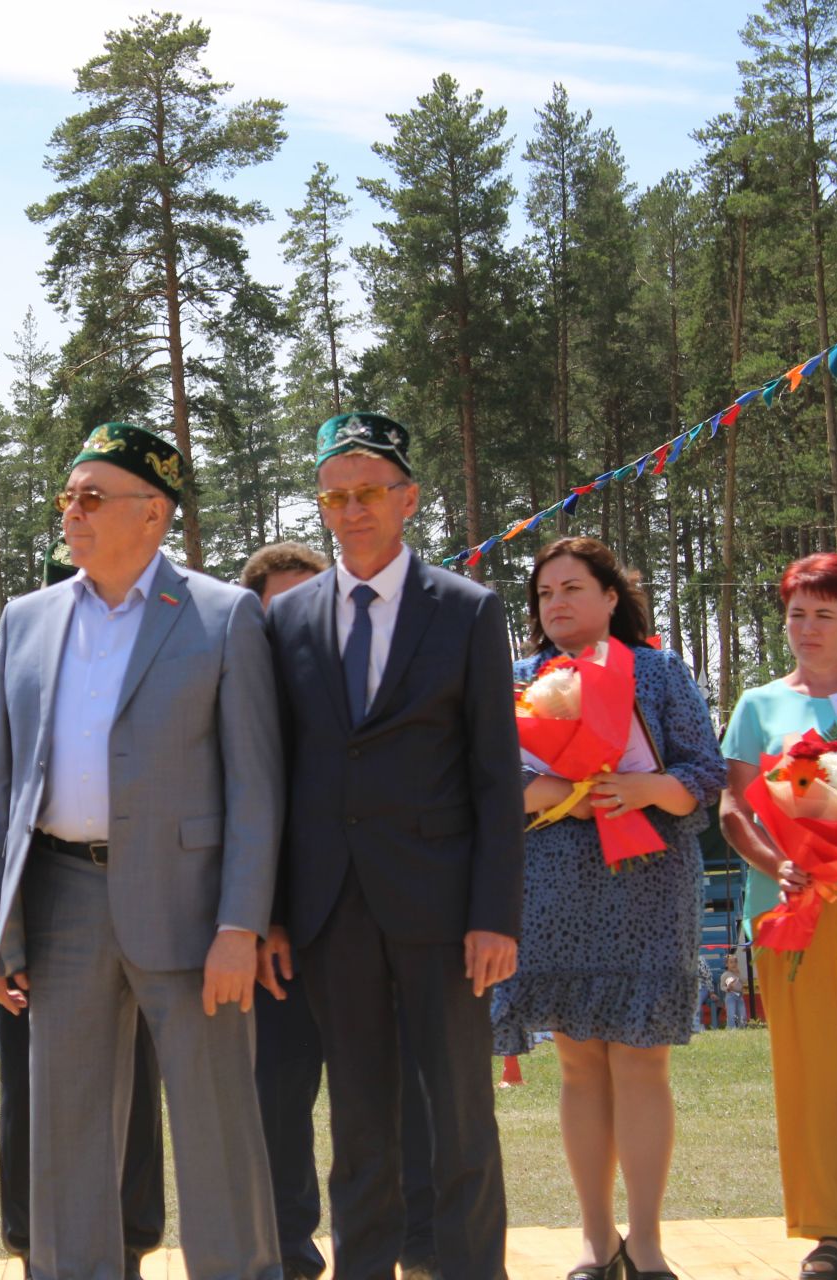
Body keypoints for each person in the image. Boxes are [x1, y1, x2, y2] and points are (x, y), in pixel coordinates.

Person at [0, 422, 285, 1280]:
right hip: (62, 895)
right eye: (68, 497)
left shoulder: (223, 615)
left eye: (92, 498)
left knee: (216, 1121)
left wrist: (240, 924)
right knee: (65, 1126)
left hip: (192, 907)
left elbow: (257, 784)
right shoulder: (27, 619)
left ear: (153, 514)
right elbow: (3, 786)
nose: (71, 513)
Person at [262, 411, 523, 1280]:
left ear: (408, 498)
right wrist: (271, 915)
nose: (352, 509)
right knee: (359, 1126)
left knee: (459, 1119)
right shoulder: (288, 618)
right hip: (331, 910)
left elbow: (495, 775)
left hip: (444, 912)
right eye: (335, 496)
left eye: (370, 491)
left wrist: (495, 916)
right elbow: (275, 776)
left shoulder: (468, 610)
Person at [489, 536, 725, 1280]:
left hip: (649, 885)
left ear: (612, 595)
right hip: (551, 889)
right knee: (579, 1064)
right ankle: (595, 1238)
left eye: (571, 588)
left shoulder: (656, 670)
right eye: (544, 594)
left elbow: (705, 770)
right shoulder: (518, 679)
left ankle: (647, 1240)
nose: (556, 603)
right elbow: (490, 784)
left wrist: (649, 790)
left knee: (641, 1063)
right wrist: (560, 796)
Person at [0, 535, 167, 1279]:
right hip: (40, 921)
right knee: (38, 1095)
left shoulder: (151, 667)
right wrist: (7, 918)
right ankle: (35, 1249)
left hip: (144, 909)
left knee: (137, 1091)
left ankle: (132, 1243)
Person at [242, 540, 444, 1280]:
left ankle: (419, 1242)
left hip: (373, 919)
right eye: (279, 608)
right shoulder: (241, 696)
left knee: (397, 1095)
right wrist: (261, 917)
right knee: (278, 1098)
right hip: (278, 931)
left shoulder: (359, 684)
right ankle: (289, 1249)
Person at [720, 552, 837, 1280]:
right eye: (797, 613)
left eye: (825, 614)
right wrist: (777, 864)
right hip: (793, 907)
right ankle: (823, 1232)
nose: (808, 628)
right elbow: (731, 808)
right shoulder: (759, 705)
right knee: (808, 1066)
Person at [720, 961, 746, 1030]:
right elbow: (722, 987)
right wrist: (727, 988)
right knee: (731, 1013)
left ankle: (742, 1028)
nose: (734, 964)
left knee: (742, 1014)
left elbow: (744, 981)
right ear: (727, 964)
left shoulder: (738, 973)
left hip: (739, 996)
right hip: (730, 996)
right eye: (731, 962)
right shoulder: (725, 975)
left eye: (735, 962)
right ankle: (731, 1028)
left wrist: (738, 974)